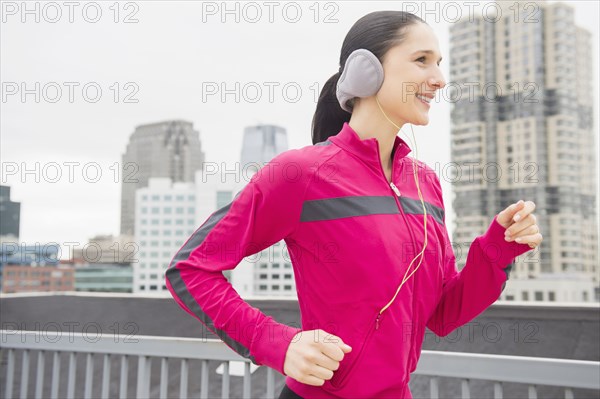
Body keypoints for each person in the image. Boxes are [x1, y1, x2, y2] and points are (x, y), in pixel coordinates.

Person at [165, 10, 543, 399]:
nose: (439, 79)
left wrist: (499, 249)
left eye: (440, 64)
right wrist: (277, 342)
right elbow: (191, 269)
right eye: (421, 60)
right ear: (366, 70)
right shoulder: (301, 173)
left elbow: (444, 313)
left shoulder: (424, 183)